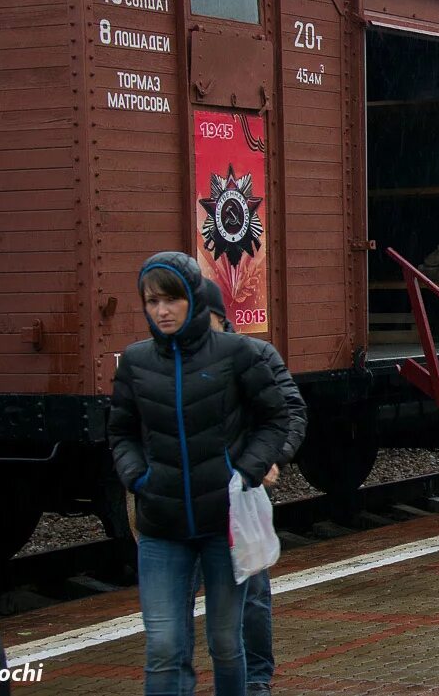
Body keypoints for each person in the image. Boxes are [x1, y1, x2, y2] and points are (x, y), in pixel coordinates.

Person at [109, 252, 291, 696]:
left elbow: (276, 416)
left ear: (193, 298)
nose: (162, 311)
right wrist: (138, 477)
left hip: (222, 526)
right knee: (164, 647)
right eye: (152, 302)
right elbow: (120, 432)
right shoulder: (135, 362)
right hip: (161, 529)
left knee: (226, 643)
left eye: (171, 299)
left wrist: (245, 470)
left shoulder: (236, 352)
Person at [201, 281, 307, 696]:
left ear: (217, 315)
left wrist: (269, 459)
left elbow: (290, 409)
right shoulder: (169, 360)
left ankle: (257, 676)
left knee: (251, 591)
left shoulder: (255, 354)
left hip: (239, 492)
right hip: (186, 497)